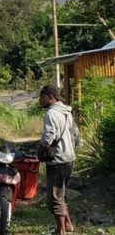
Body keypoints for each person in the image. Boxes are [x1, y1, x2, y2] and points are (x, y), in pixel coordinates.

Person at [38, 85, 79, 235]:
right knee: (60, 195)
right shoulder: (67, 112)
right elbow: (76, 134)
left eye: (42, 97)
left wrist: (40, 151)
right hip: (69, 158)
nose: (40, 100)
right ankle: (68, 225)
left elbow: (48, 136)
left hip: (58, 160)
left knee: (54, 199)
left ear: (50, 97)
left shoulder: (51, 114)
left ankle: (61, 231)